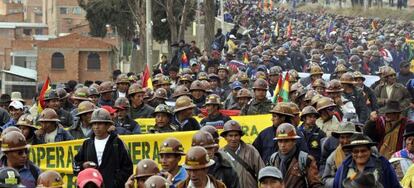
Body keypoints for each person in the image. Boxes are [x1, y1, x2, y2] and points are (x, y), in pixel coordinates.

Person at [74, 108, 133, 188]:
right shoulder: (87, 144)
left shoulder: (117, 143)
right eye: (94, 124)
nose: (96, 127)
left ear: (108, 125)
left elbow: (127, 168)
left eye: (100, 124)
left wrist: (115, 182)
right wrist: (83, 165)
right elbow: (76, 164)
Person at [333, 133, 401, 188]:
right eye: (356, 151)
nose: (360, 154)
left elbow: (395, 185)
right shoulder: (344, 168)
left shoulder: (383, 165)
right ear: (352, 153)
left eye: (363, 151)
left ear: (370, 151)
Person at [269, 123, 323, 188]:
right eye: (280, 141)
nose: (283, 145)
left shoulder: (305, 160)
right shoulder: (273, 159)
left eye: (286, 141)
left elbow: (316, 184)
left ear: (294, 141)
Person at [221, 120, 264, 188]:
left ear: (240, 136)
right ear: (225, 137)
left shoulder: (250, 150)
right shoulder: (221, 154)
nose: (233, 139)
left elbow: (262, 172)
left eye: (236, 135)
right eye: (230, 136)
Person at [322, 121, 357, 187]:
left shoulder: (362, 152)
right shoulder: (332, 158)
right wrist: (339, 181)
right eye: (342, 137)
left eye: (348, 137)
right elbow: (325, 180)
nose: (345, 141)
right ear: (339, 138)